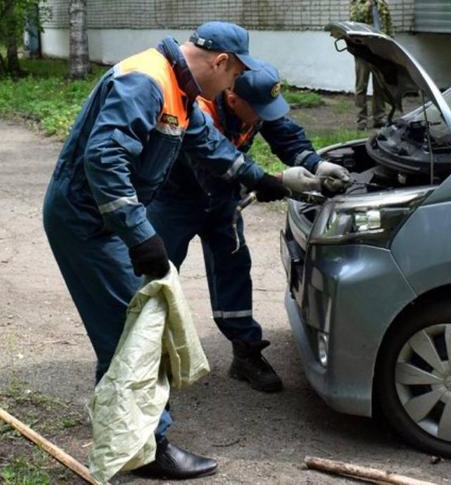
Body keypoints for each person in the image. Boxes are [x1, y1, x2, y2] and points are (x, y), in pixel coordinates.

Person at [42, 22, 310, 480]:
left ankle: (125, 432)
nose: (230, 87)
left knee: (132, 327)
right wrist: (140, 235)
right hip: (87, 221)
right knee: (132, 332)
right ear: (221, 62)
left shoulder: (179, 91)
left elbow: (210, 147)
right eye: (231, 78)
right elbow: (105, 159)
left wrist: (268, 181)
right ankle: (147, 447)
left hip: (106, 218)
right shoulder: (146, 81)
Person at [147, 61, 351, 393]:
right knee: (158, 275)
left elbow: (284, 133)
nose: (262, 117)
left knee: (235, 268)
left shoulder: (255, 102)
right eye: (257, 110)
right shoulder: (198, 109)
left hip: (222, 202)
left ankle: (245, 353)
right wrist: (276, 181)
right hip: (175, 200)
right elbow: (214, 161)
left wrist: (317, 164)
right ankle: (148, 356)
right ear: (231, 94)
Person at [350, 0, 395, 130]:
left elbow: (389, 27)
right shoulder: (358, 3)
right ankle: (361, 120)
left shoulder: (382, 4)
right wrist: (368, 3)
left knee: (380, 86)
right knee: (361, 86)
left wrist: (391, 47)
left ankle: (379, 118)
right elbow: (355, 19)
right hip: (363, 51)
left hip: (380, 51)